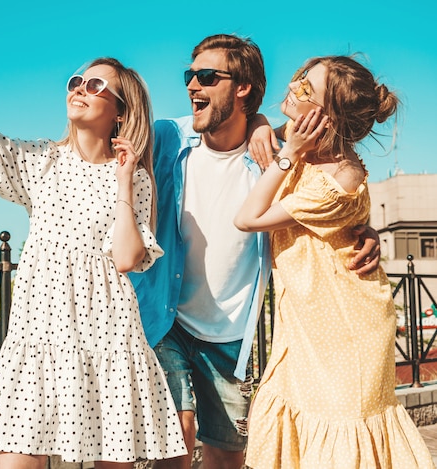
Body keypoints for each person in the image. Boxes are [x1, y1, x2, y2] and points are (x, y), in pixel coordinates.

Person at [0, 23, 187, 469]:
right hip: (40, 335)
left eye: (95, 84)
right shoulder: (41, 160)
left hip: (107, 338)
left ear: (121, 112)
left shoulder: (134, 179)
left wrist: (124, 179)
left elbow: (127, 258)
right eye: (75, 81)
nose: (79, 89)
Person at [129, 34, 382, 469]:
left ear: (243, 87)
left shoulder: (280, 155)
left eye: (207, 76)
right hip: (165, 318)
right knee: (178, 434)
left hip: (230, 333)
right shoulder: (168, 138)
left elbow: (329, 190)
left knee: (227, 457)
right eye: (190, 75)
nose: (192, 85)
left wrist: (365, 228)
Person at [234, 55, 434, 468]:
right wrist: (261, 127)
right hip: (306, 320)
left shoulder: (341, 176)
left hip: (346, 325)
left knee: (343, 441)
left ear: (329, 116)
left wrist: (287, 154)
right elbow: (253, 126)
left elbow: (248, 219)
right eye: (298, 77)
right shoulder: (297, 137)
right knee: (305, 440)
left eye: (306, 88)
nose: (292, 88)